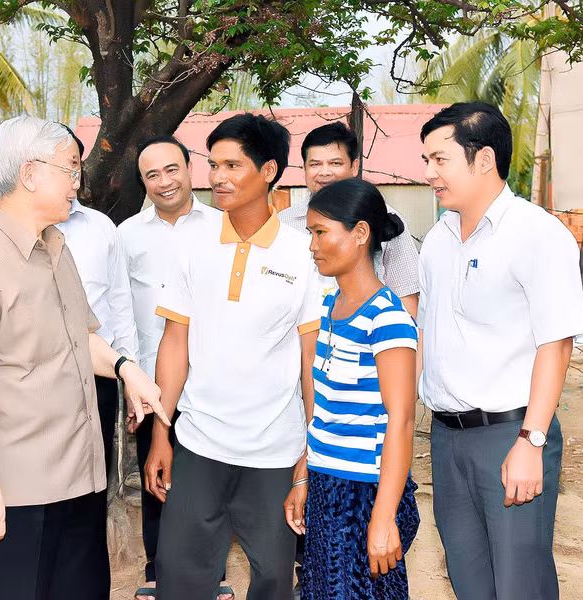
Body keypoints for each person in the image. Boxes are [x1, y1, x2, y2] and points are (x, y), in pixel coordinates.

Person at [0, 115, 169, 600]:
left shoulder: (57, 248)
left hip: (81, 474)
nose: (77, 181)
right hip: (17, 489)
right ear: (29, 173)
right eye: (68, 169)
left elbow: (80, 337)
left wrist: (127, 370)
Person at [146, 113, 325, 600]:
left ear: (268, 171)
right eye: (214, 165)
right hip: (199, 442)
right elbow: (174, 343)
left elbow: (311, 359)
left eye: (232, 166)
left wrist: (310, 452)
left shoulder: (303, 254)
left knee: (272, 580)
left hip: (275, 450)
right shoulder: (192, 244)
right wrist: (161, 433)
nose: (218, 177)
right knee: (179, 577)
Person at [418, 102, 583, 599]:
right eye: (427, 160)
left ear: (484, 159)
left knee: (519, 585)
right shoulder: (437, 241)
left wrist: (531, 441)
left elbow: (556, 343)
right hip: (447, 439)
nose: (429, 173)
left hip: (511, 436)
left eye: (440, 159)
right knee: (469, 582)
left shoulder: (538, 234)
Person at [287, 177, 420, 598]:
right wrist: (304, 474)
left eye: (320, 232)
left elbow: (402, 419)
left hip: (366, 491)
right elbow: (327, 409)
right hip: (326, 484)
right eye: (310, 233)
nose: (312, 246)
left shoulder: (387, 317)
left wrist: (383, 516)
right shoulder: (329, 307)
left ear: (360, 233)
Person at [119, 136, 231, 600]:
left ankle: (213, 573)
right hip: (150, 381)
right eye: (152, 175)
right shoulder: (126, 235)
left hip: (211, 378)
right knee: (156, 475)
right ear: (142, 182)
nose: (164, 181)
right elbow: (120, 311)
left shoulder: (223, 226)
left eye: (172, 169)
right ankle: (156, 569)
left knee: (210, 479)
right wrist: (130, 380)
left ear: (190, 169)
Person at [56, 126, 139, 484]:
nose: (71, 174)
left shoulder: (100, 227)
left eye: (75, 163)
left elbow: (120, 303)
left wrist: (130, 371)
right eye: (61, 164)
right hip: (37, 378)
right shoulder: (16, 232)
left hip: (98, 373)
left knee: (94, 477)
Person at [278, 122, 420, 317]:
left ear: (354, 167)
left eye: (335, 163)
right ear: (304, 169)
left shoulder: (385, 217)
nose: (325, 172)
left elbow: (406, 296)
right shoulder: (284, 223)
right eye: (315, 164)